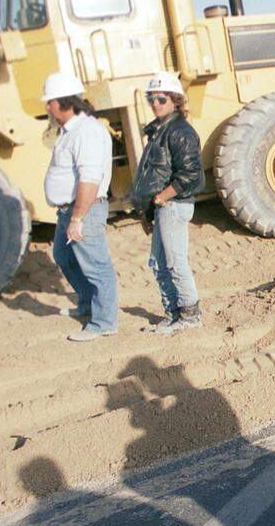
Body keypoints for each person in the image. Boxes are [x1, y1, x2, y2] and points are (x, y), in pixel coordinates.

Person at [42, 72, 119, 342]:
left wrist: (77, 218)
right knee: (64, 257)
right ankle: (87, 304)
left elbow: (90, 179)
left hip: (83, 211)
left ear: (63, 102)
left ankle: (104, 322)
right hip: (68, 211)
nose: (47, 108)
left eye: (49, 102)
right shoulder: (69, 131)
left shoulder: (87, 131)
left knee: (96, 266)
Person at [129, 72, 205, 334]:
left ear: (174, 100)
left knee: (174, 262)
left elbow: (191, 173)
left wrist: (162, 197)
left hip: (173, 206)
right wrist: (147, 211)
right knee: (158, 263)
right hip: (161, 208)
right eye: (152, 98)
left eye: (161, 98)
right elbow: (151, 175)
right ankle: (172, 313)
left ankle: (190, 316)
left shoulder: (181, 132)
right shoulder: (158, 131)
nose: (155, 103)